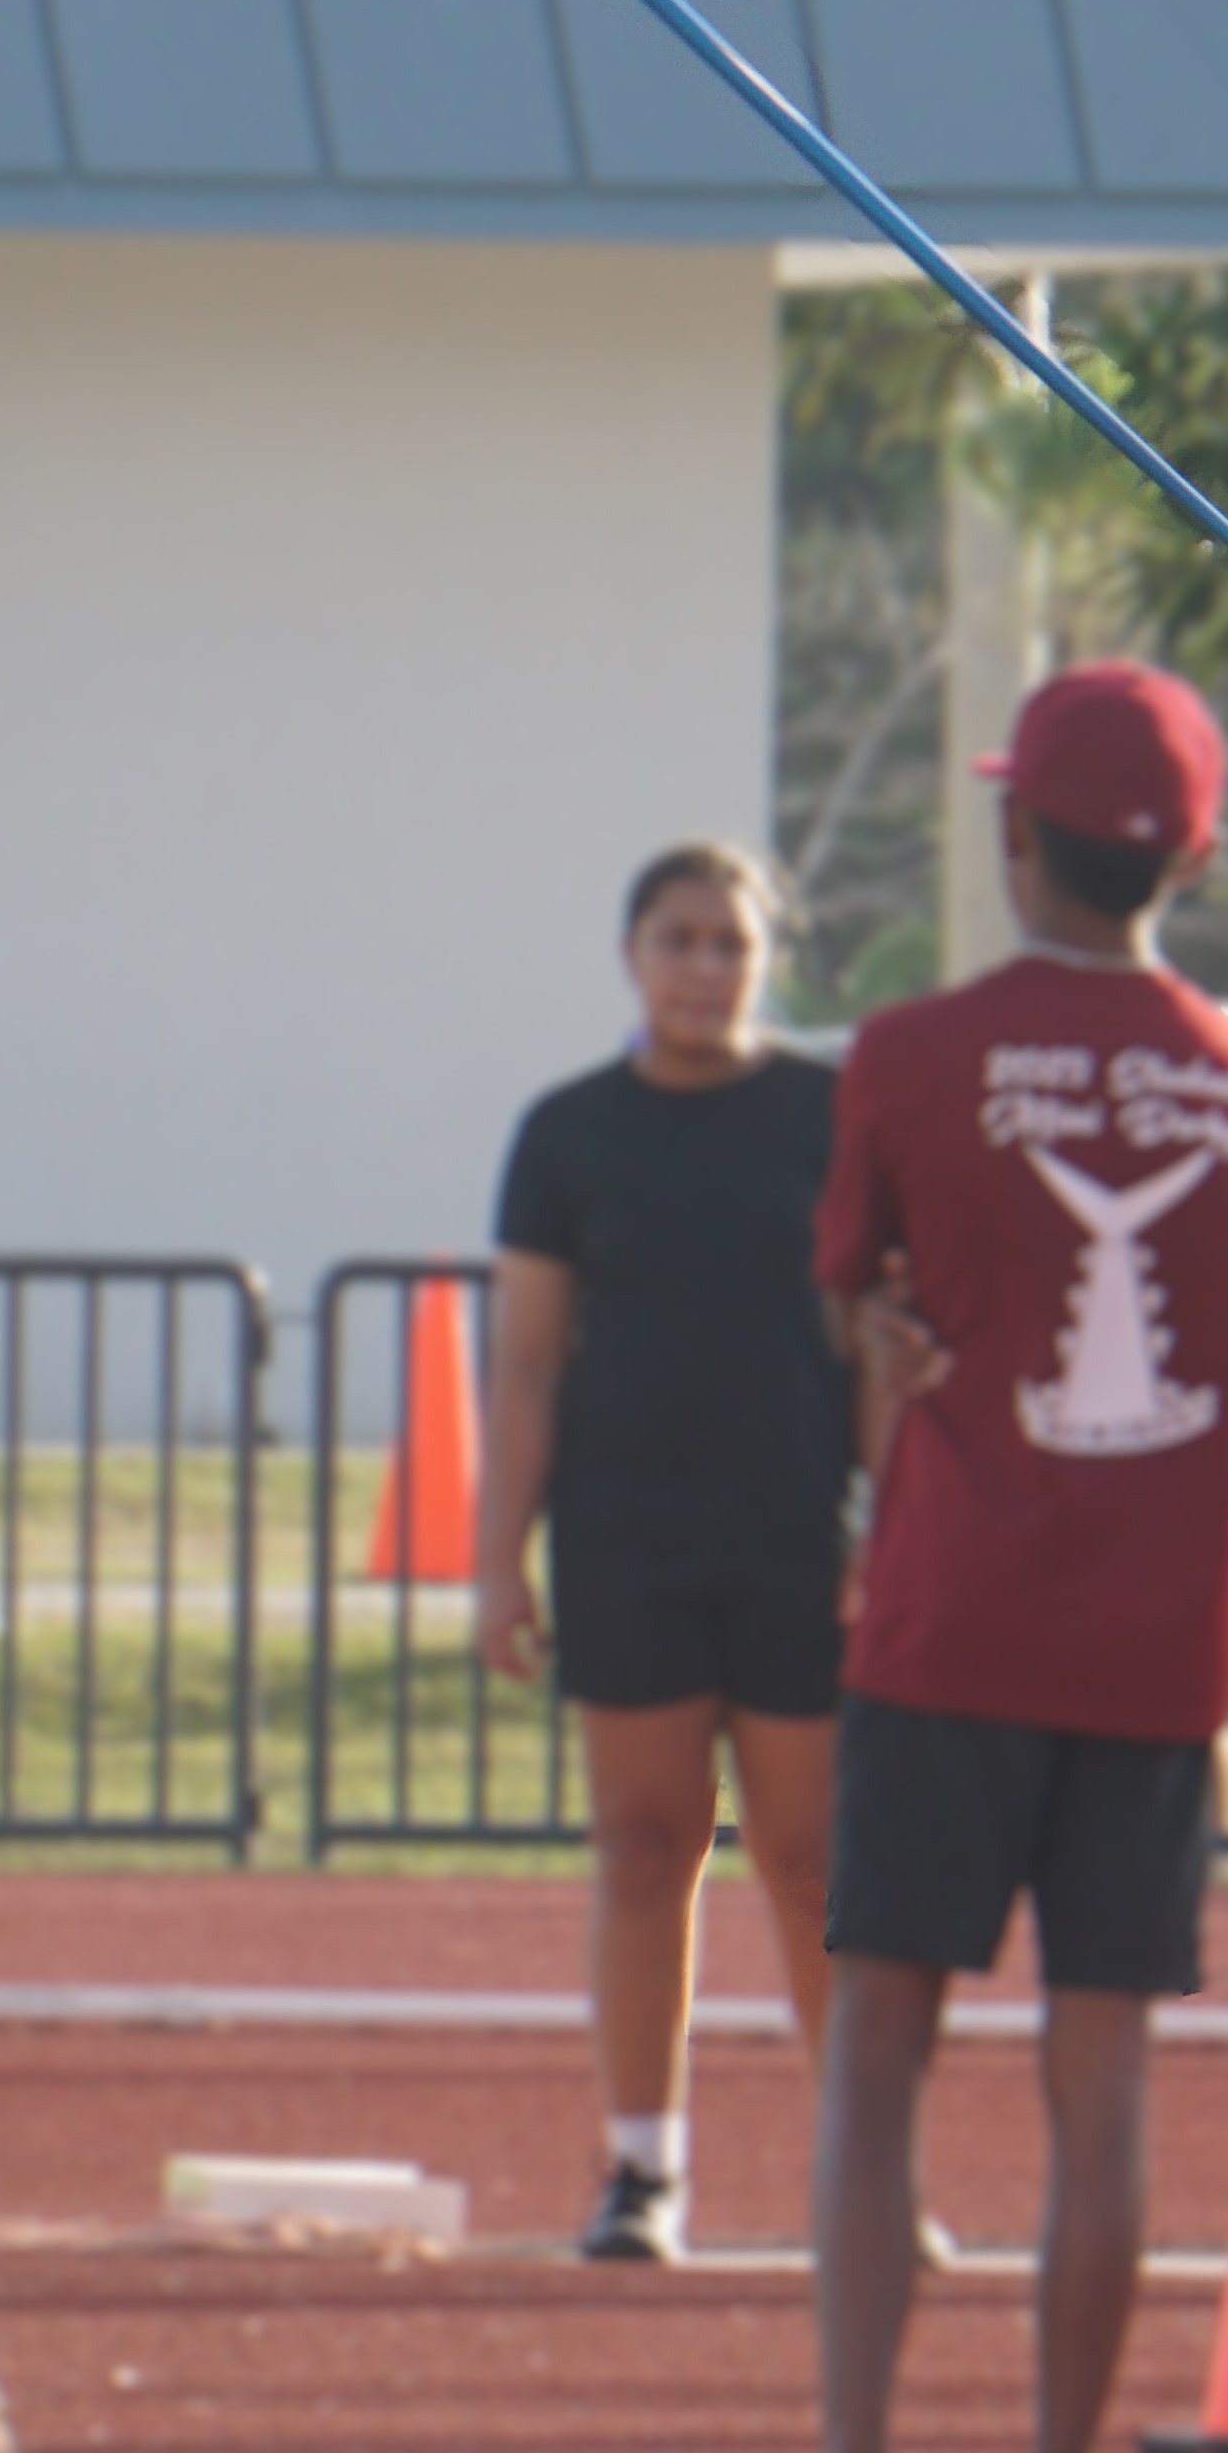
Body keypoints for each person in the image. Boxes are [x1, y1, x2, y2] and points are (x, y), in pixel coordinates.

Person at [687, 663, 1228, 2453]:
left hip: (952, 1614)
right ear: (1193, 850)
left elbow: (856, 1281)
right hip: (1156, 1633)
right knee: (1098, 2080)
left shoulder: (908, 1051)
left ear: (1011, 831)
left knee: (876, 2056)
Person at [477, 843, 852, 2265]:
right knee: (646, 1847)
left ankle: (856, 2171)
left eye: (731, 945)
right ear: (633, 955)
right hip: (625, 1536)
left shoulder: (827, 1114)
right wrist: (498, 1558)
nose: (705, 968)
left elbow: (880, 1328)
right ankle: (642, 2170)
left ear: (768, 962)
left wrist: (890, 1527)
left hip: (800, 1535)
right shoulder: (568, 1134)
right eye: (679, 940)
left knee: (815, 1861)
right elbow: (523, 1363)